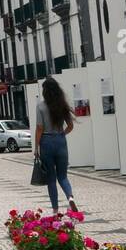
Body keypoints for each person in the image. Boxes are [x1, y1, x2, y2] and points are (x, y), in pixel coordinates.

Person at [34, 77, 79, 216]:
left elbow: (39, 128)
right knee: (63, 176)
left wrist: (36, 148)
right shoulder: (62, 105)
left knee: (51, 179)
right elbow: (70, 126)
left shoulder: (40, 106)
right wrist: (61, 134)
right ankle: (70, 196)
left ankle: (55, 210)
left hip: (46, 141)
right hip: (60, 141)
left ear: (45, 91)